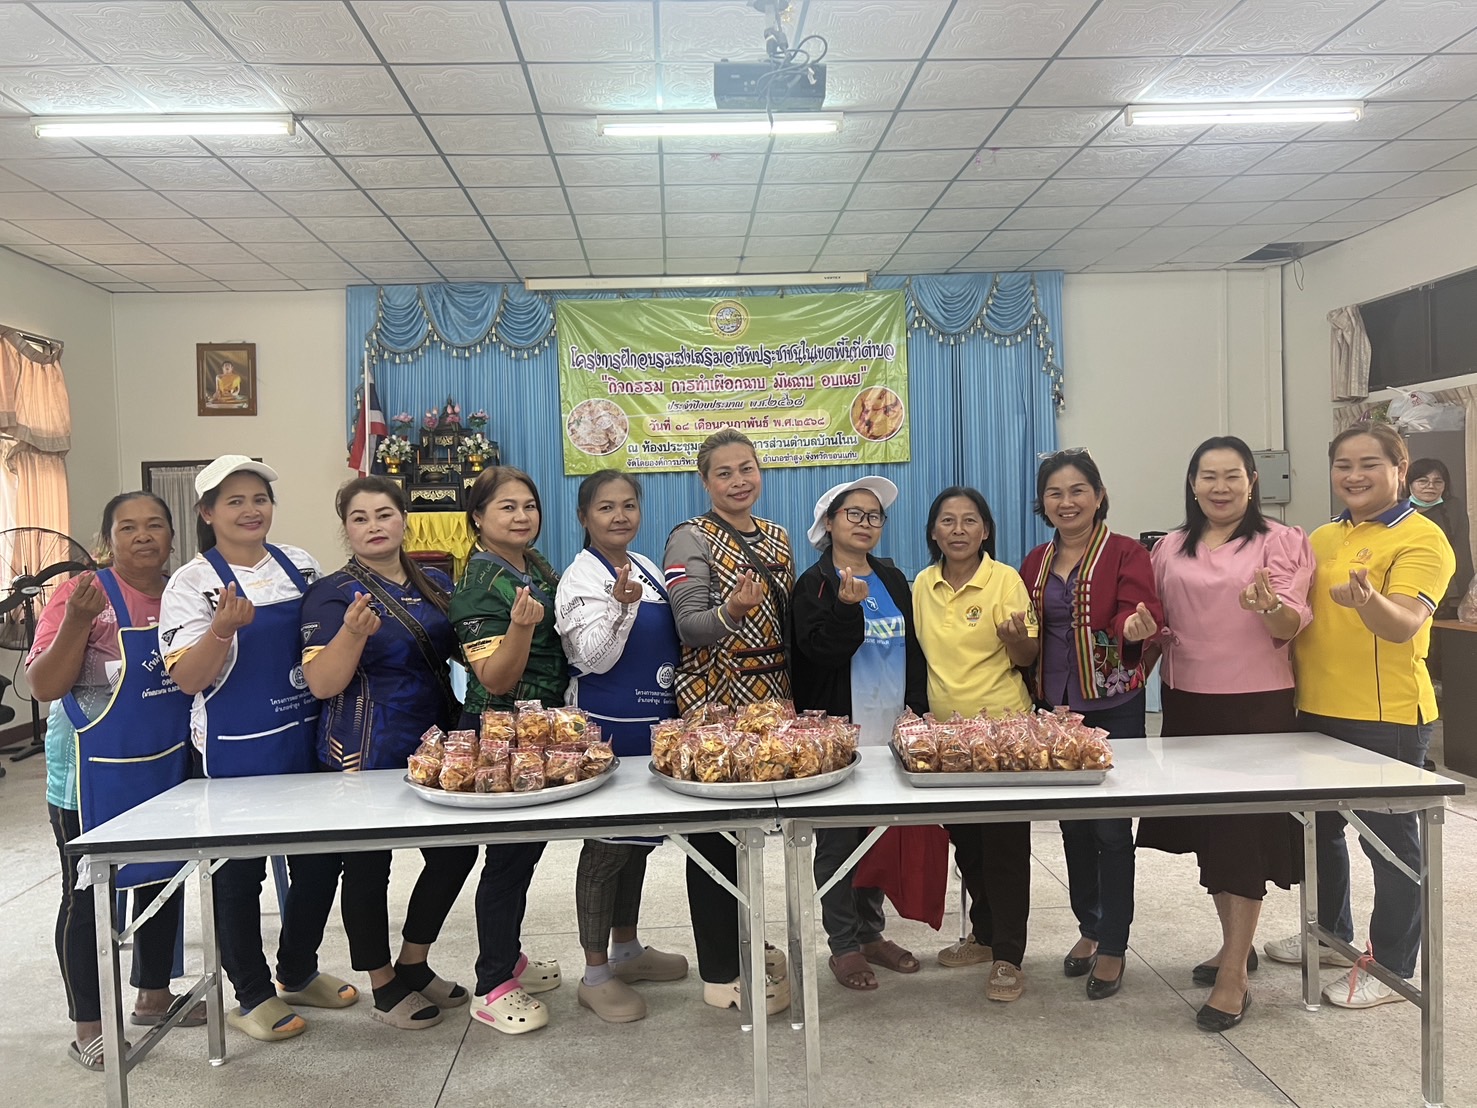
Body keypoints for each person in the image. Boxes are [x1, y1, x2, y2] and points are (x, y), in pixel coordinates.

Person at [160, 456, 356, 1042]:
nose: (251, 511)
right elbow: (188, 680)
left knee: (320, 863)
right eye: (235, 501)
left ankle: (297, 970)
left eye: (260, 499)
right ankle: (251, 994)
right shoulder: (191, 583)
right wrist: (221, 630)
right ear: (207, 513)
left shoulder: (300, 565)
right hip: (235, 752)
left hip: (306, 738)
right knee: (239, 876)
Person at [1270, 423, 1455, 1009]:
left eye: (1369, 463)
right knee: (1319, 831)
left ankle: (1393, 967)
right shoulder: (1323, 536)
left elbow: (1403, 625)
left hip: (1385, 717)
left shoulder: (1423, 538)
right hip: (1314, 708)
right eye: (1343, 464)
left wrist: (1368, 600)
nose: (1354, 475)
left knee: (1390, 845)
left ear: (1400, 469)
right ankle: (1331, 935)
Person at [1135, 437, 1314, 1031]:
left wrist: (1268, 607)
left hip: (1256, 706)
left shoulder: (1281, 541)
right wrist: (1140, 634)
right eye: (1207, 476)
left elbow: (1290, 621)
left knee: (1243, 834)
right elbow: (1155, 623)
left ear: (1252, 481)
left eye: (1232, 475)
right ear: (1192, 484)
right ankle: (1234, 946)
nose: (1220, 487)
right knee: (1212, 832)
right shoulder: (1169, 548)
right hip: (1187, 705)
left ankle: (1234, 974)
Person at [28, 492, 202, 1070]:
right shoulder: (80, 594)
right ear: (108, 539)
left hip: (163, 765)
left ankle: (154, 996)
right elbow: (44, 687)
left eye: (155, 525)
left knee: (161, 877)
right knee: (89, 895)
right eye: (128, 527)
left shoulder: (183, 592)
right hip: (89, 774)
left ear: (172, 535)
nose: (143, 535)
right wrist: (78, 622)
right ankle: (90, 1025)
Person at [299, 476, 478, 1030]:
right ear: (346, 529)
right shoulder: (332, 594)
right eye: (360, 518)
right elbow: (322, 684)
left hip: (433, 742)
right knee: (368, 866)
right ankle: (381, 982)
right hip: (364, 747)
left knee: (455, 853)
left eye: (383, 514)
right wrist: (352, 634)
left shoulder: (435, 581)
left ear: (404, 518)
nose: (374, 526)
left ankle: (413, 962)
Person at [1019, 450, 1162, 1001]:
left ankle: (1115, 943)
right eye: (1055, 493)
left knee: (1110, 829)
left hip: (1111, 705)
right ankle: (1090, 925)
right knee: (1073, 826)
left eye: (1078, 490)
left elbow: (1136, 611)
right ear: (1043, 503)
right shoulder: (1035, 560)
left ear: (1099, 495)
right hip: (1053, 708)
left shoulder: (1126, 552)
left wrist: (1133, 627)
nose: (1067, 502)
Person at [663, 429, 792, 1015]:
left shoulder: (778, 538)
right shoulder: (689, 537)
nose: (739, 481)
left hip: (770, 705)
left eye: (747, 468)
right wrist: (732, 610)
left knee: (752, 838)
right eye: (724, 472)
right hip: (714, 706)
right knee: (714, 838)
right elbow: (689, 626)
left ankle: (747, 938)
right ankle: (718, 971)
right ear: (704, 481)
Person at [555, 470, 690, 1024]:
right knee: (607, 849)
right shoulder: (579, 577)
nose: (619, 516)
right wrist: (619, 607)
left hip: (652, 727)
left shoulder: (647, 568)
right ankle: (594, 974)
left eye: (629, 505)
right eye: (606, 507)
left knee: (639, 843)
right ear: (584, 517)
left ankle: (627, 950)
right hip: (607, 728)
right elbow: (591, 658)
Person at [791, 477, 928, 991]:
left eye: (874, 516)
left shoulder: (891, 577)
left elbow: (913, 648)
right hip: (840, 737)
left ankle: (871, 933)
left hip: (892, 729)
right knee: (838, 842)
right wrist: (848, 610)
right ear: (829, 522)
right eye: (854, 514)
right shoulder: (814, 584)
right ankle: (844, 945)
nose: (865, 524)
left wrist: (917, 711)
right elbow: (819, 654)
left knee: (878, 839)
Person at [450, 466, 566, 1034]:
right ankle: (492, 983)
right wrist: (520, 629)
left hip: (536, 727)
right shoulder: (479, 582)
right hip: (500, 733)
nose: (522, 517)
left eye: (529, 506)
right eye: (507, 507)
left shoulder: (533, 563)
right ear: (478, 517)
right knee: (506, 860)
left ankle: (510, 956)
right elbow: (495, 678)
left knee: (524, 855)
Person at [913, 486, 1038, 1003]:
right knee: (967, 844)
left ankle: (1008, 956)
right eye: (948, 520)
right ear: (934, 531)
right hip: (946, 742)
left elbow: (1028, 655)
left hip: (1002, 735)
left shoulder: (1004, 580)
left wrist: (1016, 639)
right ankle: (984, 936)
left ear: (985, 530)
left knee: (1005, 846)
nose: (958, 529)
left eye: (970, 520)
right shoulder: (923, 585)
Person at [1405, 458, 1472, 618]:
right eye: (1423, 481)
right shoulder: (1397, 510)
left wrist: (1467, 595)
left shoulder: (1454, 507)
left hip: (1449, 590)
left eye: (1438, 482)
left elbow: (1462, 553)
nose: (1431, 486)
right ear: (1409, 484)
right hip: (1409, 587)